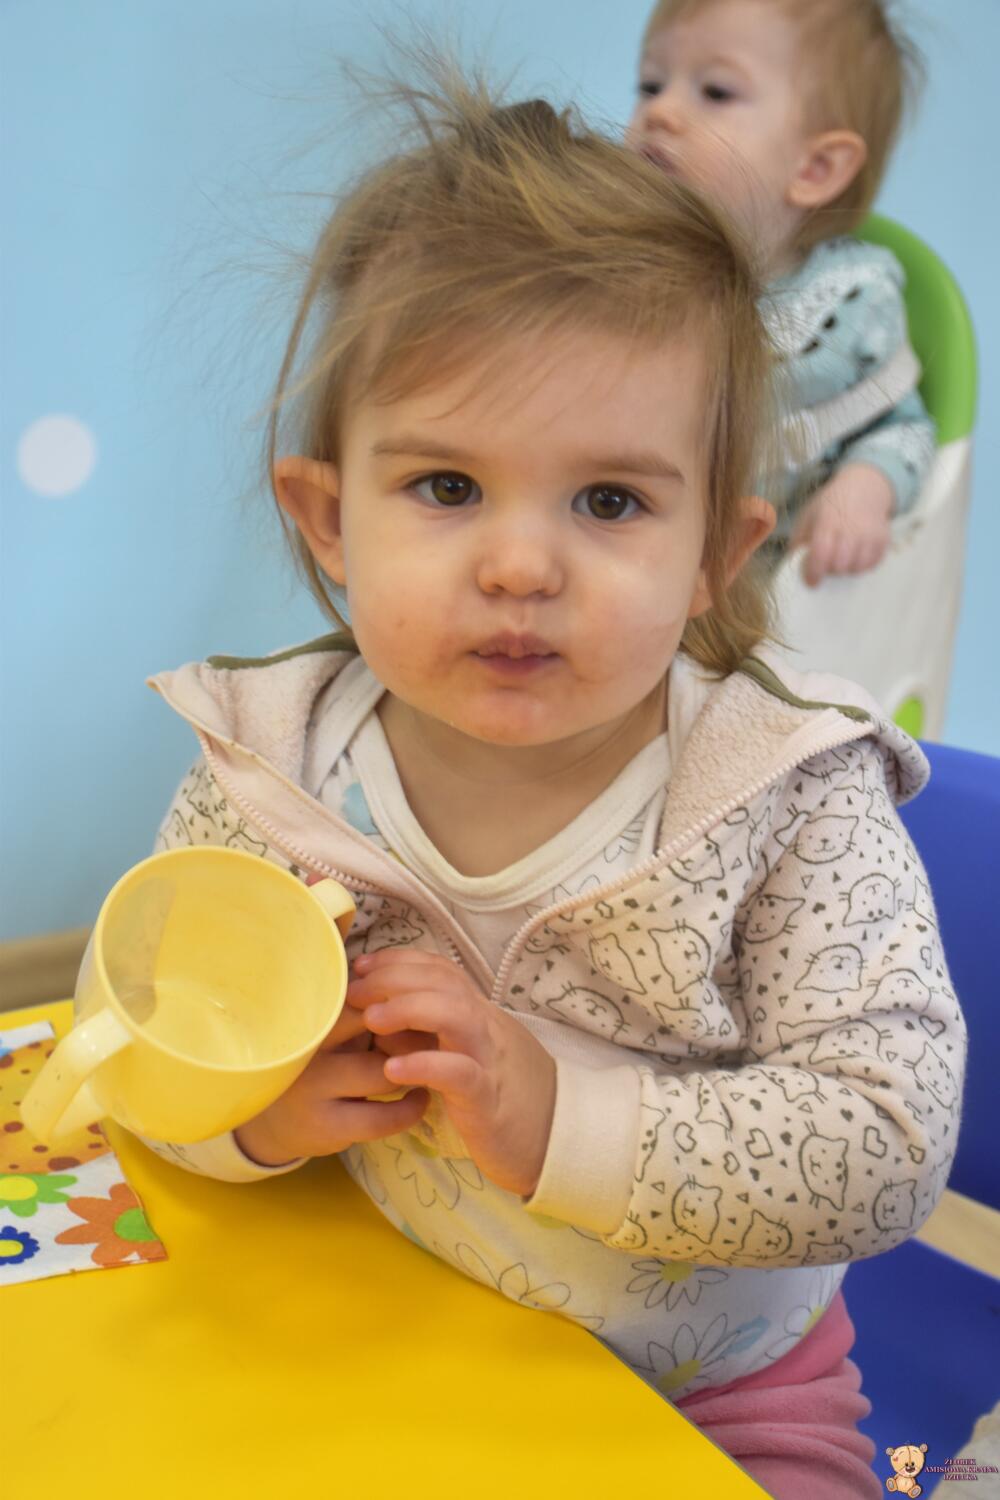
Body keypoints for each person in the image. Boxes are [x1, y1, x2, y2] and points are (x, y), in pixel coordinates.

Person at [142, 78, 964, 1500]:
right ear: (330, 518)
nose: (521, 566)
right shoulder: (272, 768)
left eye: (609, 502)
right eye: (448, 487)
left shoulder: (788, 793)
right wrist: (252, 1118)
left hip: (724, 1387)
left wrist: (554, 1119)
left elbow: (886, 1144)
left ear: (715, 553)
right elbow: (146, 1045)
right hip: (396, 1322)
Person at [629, 0, 937, 586]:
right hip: (629, 576)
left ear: (815, 168)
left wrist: (864, 487)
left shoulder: (849, 306)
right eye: (650, 85)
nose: (659, 112)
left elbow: (906, 429)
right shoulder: (610, 269)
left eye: (715, 92)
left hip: (767, 599)